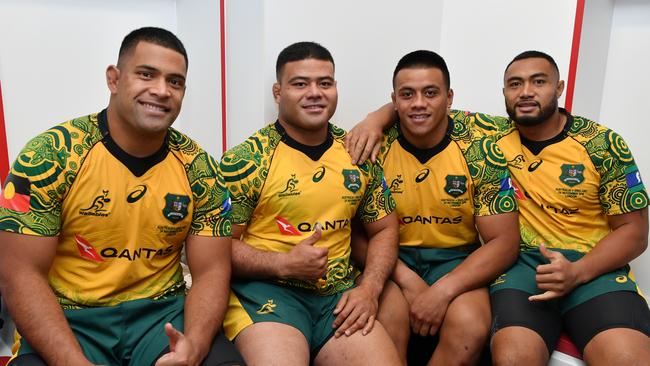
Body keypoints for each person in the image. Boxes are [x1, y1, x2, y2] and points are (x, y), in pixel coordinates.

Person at [346, 50, 650, 365]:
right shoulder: (489, 133)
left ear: (559, 88)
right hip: (523, 267)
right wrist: (375, 119)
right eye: (515, 84)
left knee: (626, 357)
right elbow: (417, 106)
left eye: (539, 81)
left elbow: (635, 232)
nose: (527, 92)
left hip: (592, 267)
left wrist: (578, 271)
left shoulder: (601, 143)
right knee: (513, 357)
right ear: (504, 92)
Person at [0, 27, 244, 366]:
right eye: (146, 74)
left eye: (174, 82)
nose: (161, 90)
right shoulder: (49, 156)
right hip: (71, 320)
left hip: (160, 320)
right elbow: (20, 273)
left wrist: (193, 348)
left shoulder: (199, 167)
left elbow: (212, 271)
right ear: (114, 79)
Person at [219, 41, 402, 365]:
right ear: (278, 92)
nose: (315, 92)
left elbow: (385, 229)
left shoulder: (356, 153)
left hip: (338, 298)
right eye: (300, 83)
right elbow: (217, 247)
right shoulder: (247, 159)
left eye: (325, 83)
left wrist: (369, 288)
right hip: (265, 296)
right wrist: (283, 264)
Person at [350, 50, 520, 365]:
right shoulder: (372, 147)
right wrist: (406, 278)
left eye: (430, 93)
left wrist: (441, 291)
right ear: (394, 100)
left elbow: (505, 242)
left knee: (469, 326)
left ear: (449, 97)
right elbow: (354, 235)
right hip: (390, 262)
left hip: (455, 262)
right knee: (383, 322)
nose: (418, 103)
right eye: (407, 94)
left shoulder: (480, 149)